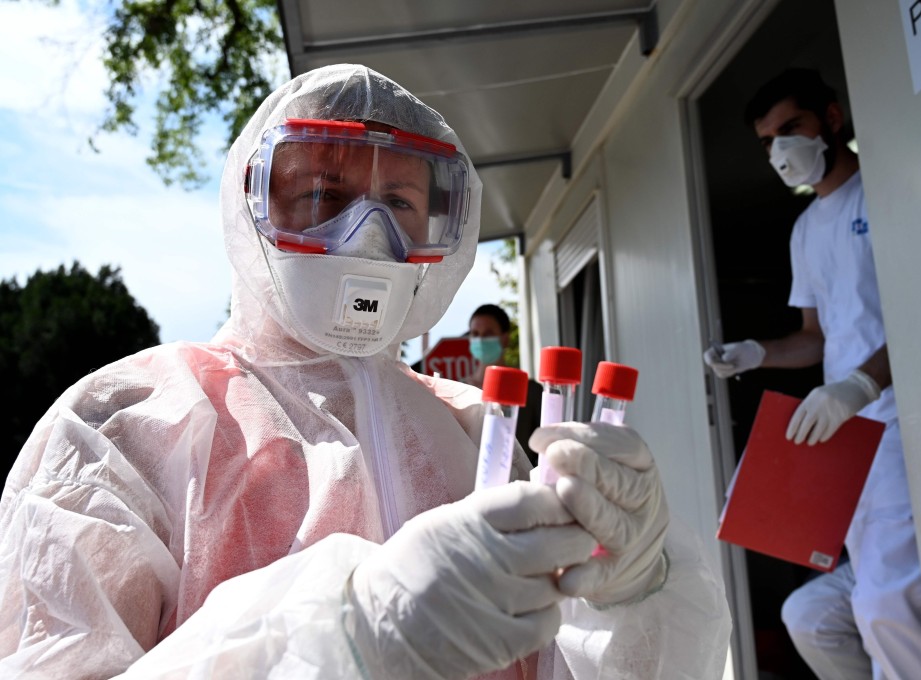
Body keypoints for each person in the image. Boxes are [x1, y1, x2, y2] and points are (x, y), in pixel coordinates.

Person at [0, 64, 730, 679]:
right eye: (324, 196)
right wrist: (348, 635)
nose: (366, 236)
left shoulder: (483, 431)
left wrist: (637, 594)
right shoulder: (123, 428)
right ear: (251, 204)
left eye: (401, 204)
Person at [704, 68, 921, 679]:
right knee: (837, 608)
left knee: (889, 601)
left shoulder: (888, 192)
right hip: (847, 440)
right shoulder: (807, 229)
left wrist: (862, 384)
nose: (780, 151)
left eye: (791, 129)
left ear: (832, 119)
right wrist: (757, 353)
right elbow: (815, 339)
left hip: (905, 424)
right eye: (767, 141)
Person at [466, 303, 544, 465]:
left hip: (521, 485)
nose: (480, 340)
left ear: (505, 338)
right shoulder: (458, 390)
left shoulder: (530, 390)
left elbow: (545, 447)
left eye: (488, 334)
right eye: (475, 334)